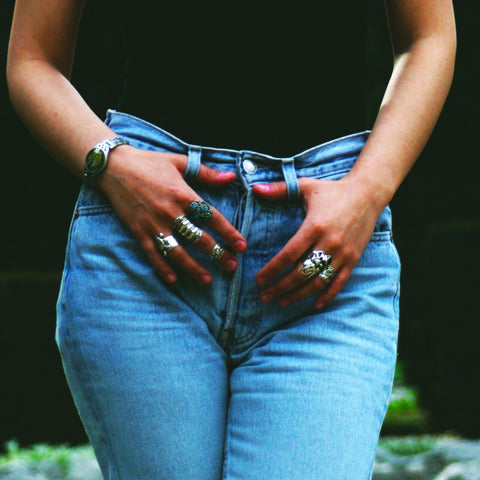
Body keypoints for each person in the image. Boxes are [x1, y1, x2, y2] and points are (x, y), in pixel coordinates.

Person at [7, 1, 456, 479]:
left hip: (322, 256)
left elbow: (429, 36)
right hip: (149, 248)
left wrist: (367, 192)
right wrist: (113, 163)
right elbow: (32, 60)